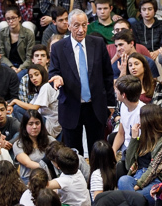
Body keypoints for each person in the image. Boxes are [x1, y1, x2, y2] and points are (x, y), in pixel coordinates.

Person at [49, 9, 115, 155]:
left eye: (84, 25)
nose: (81, 30)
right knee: (73, 153)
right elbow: (53, 72)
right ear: (69, 26)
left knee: (97, 151)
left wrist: (110, 103)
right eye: (77, 25)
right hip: (71, 105)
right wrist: (56, 78)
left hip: (96, 106)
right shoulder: (58, 47)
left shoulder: (97, 44)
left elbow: (108, 75)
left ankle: (97, 177)